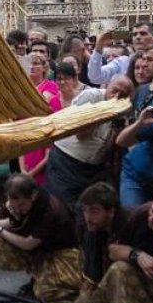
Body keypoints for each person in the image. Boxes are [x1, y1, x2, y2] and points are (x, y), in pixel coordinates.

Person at [0, 173, 81, 303]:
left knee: (45, 294)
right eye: (15, 205)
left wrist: (1, 232)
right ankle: (38, 276)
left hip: (63, 253)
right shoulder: (18, 204)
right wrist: (12, 218)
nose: (18, 209)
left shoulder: (50, 210)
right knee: (0, 248)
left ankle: (79, 294)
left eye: (22, 205)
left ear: (33, 196)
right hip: (41, 251)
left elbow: (28, 244)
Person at [44, 62, 109, 207]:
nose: (62, 82)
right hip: (60, 158)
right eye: (59, 79)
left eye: (66, 78)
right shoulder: (52, 101)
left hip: (88, 164)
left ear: (74, 80)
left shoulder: (88, 98)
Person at [75, 182, 128, 303]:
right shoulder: (88, 226)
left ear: (111, 212)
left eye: (94, 211)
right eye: (85, 210)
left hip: (128, 278)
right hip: (104, 276)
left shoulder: (129, 225)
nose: (88, 217)